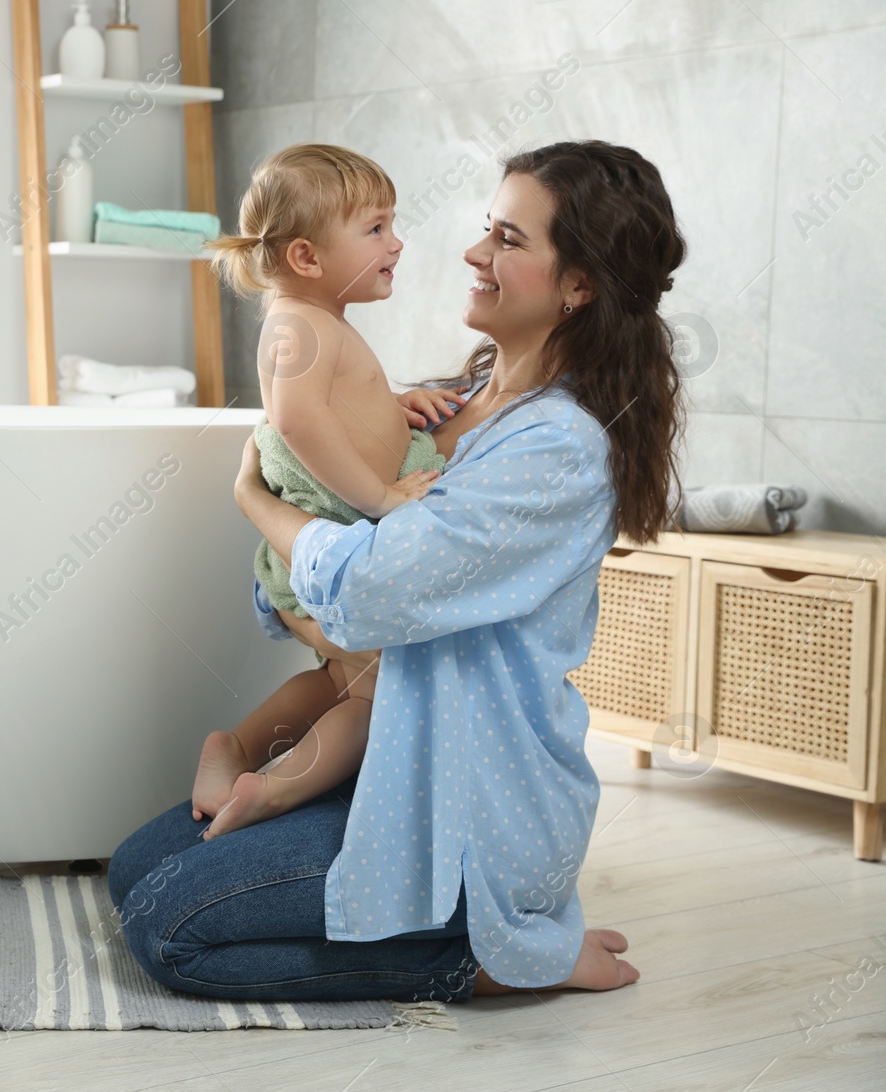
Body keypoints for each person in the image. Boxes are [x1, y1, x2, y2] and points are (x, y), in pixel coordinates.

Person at [109, 140, 686, 1003]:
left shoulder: (558, 448)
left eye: (509, 240)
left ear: (580, 286)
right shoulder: (465, 398)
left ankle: (495, 950)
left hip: (459, 802)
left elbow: (369, 593)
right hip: (386, 755)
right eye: (488, 229)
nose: (473, 253)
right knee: (134, 872)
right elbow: (331, 572)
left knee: (170, 931)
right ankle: (478, 923)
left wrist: (254, 500)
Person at [196, 143, 467, 843]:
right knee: (381, 689)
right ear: (308, 258)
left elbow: (331, 409)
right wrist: (380, 496)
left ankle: (239, 746)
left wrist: (394, 406)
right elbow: (296, 418)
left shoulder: (318, 323)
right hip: (317, 552)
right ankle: (275, 790)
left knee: (342, 680)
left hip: (320, 551)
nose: (396, 242)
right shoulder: (297, 324)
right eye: (376, 229)